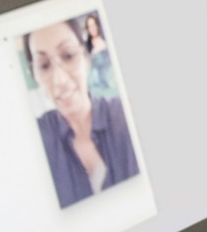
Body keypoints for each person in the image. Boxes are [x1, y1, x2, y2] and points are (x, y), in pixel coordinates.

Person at [27, 18, 140, 208]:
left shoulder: (126, 115)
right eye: (44, 66)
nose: (59, 80)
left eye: (69, 55)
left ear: (86, 58)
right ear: (35, 76)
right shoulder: (36, 138)